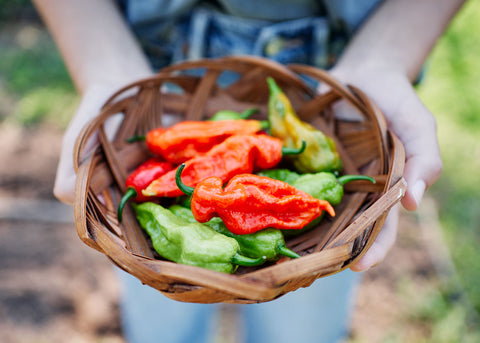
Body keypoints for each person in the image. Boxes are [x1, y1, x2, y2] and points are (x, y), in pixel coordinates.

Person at [32, 0, 464, 342]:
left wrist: (385, 59)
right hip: (154, 84)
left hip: (331, 90)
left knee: (302, 323)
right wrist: (105, 70)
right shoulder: (192, 178)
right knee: (162, 319)